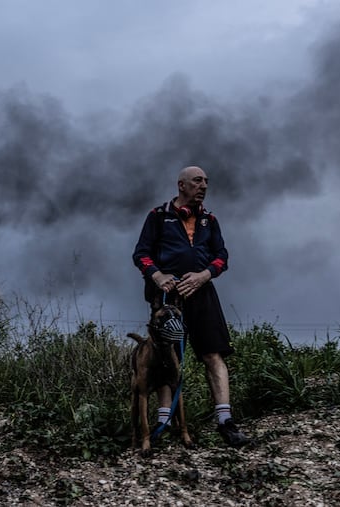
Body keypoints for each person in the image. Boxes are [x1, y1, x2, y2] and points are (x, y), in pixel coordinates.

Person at [132, 165, 250, 447]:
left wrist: (204, 275)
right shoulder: (158, 217)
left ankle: (226, 422)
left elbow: (222, 256)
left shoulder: (210, 220)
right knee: (166, 357)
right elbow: (141, 254)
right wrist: (158, 276)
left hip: (202, 294)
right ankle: (164, 420)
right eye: (198, 181)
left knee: (213, 354)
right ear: (181, 185)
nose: (204, 186)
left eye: (206, 182)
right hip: (166, 298)